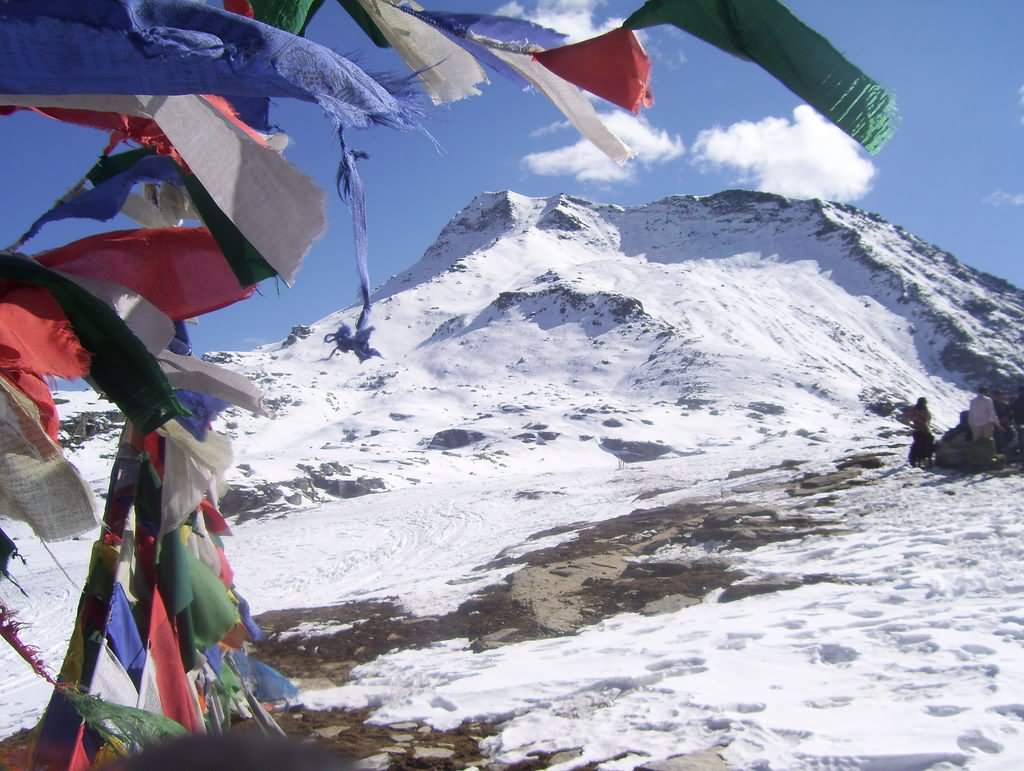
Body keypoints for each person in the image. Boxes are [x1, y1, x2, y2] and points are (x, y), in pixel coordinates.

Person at [903, 397, 934, 467]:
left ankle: (925, 459)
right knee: (920, 444)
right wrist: (911, 424)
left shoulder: (924, 410)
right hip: (919, 430)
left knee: (927, 442)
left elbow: (928, 420)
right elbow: (907, 417)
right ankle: (919, 459)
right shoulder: (915, 410)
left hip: (924, 430)